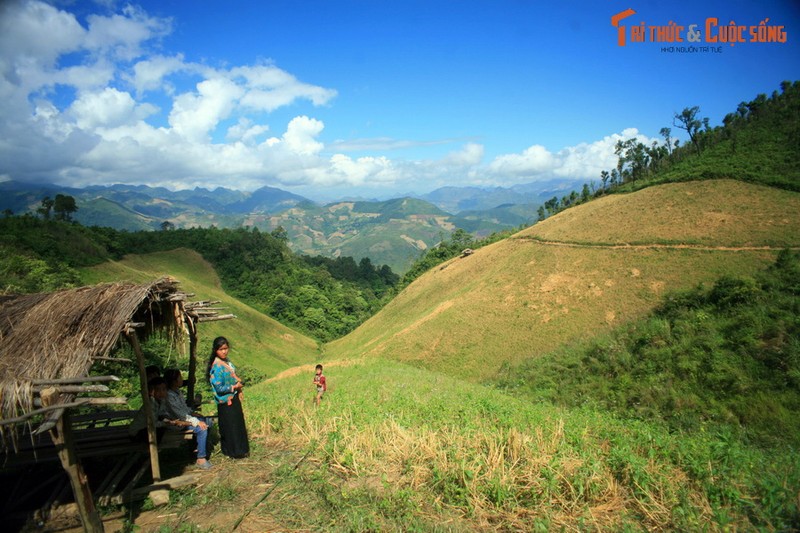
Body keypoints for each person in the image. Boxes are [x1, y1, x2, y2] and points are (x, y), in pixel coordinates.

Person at [207, 336, 249, 458]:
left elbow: (233, 375)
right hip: (226, 401)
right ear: (216, 350)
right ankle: (234, 452)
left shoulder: (226, 362)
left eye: (226, 348)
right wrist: (234, 387)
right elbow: (219, 388)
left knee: (237, 424)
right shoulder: (216, 367)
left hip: (233, 398)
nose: (224, 351)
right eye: (221, 349)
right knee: (231, 427)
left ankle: (240, 450)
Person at [163, 368, 213, 469]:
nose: (182, 379)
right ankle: (201, 458)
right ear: (173, 381)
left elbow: (184, 409)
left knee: (208, 421)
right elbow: (181, 415)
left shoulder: (177, 392)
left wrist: (193, 413)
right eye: (180, 377)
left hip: (185, 420)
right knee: (202, 428)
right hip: (177, 423)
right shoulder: (169, 396)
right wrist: (196, 421)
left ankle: (200, 448)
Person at [128, 376, 179, 443]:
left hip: (146, 429)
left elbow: (162, 414)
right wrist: (167, 423)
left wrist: (169, 420)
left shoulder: (161, 401)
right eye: (158, 390)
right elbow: (153, 424)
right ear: (150, 392)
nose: (161, 392)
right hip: (136, 434)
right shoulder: (150, 404)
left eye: (164, 389)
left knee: (164, 427)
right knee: (159, 429)